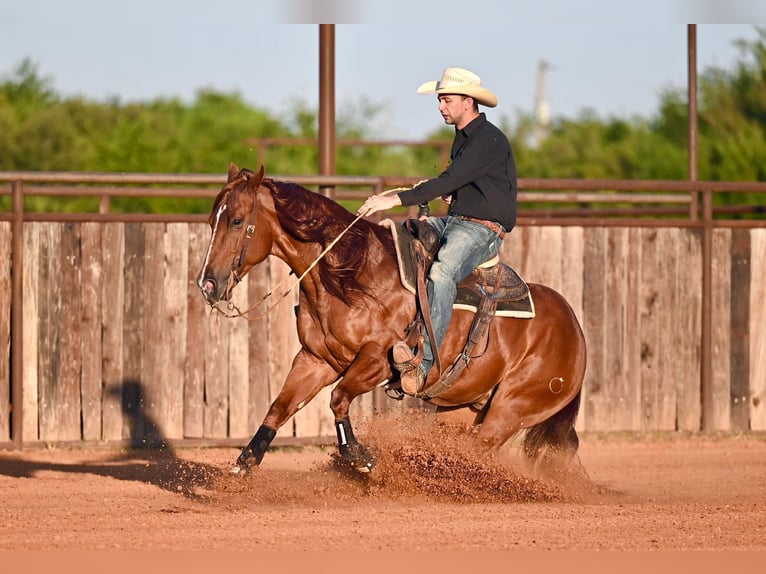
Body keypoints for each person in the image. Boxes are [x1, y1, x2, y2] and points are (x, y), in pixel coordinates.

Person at [359, 67, 518, 394]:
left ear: (468, 102)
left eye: (447, 99)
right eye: (440, 100)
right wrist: (454, 195)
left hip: (483, 230)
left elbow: (450, 179)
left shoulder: (488, 140)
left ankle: (424, 364)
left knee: (443, 272)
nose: (441, 106)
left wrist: (396, 198)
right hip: (459, 220)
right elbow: (462, 183)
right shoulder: (464, 138)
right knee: (403, 236)